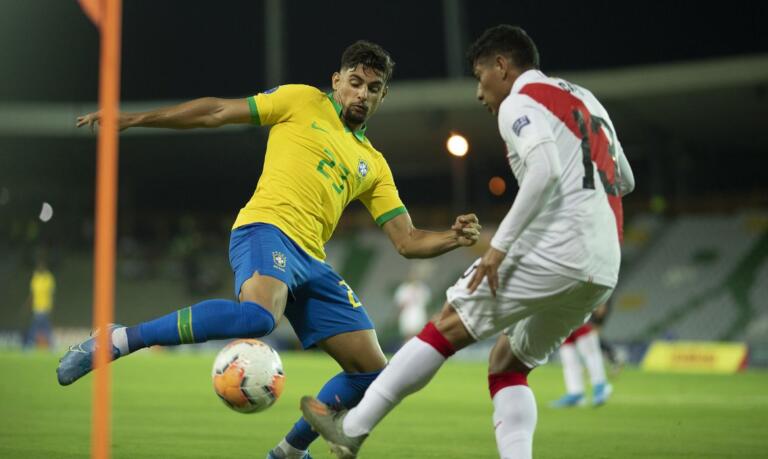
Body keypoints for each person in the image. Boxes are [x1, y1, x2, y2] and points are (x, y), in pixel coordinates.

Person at [57, 41, 481, 459]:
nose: (362, 95)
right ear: (337, 81)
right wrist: (137, 119)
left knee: (372, 372)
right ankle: (118, 339)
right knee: (259, 317)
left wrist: (453, 236)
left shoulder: (374, 164)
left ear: (383, 95)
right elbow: (218, 111)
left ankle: (288, 452)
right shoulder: (301, 100)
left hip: (312, 261)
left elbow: (407, 241)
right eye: (355, 83)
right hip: (266, 229)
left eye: (373, 88)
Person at [300, 25, 635, 459]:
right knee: (507, 364)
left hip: (557, 246)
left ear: (501, 66)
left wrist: (500, 247)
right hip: (604, 260)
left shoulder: (521, 100)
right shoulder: (586, 100)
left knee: (447, 326)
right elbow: (624, 178)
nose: (480, 93)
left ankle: (353, 429)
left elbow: (546, 169)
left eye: (480, 76)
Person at [550, 320, 612, 408]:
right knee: (568, 358)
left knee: (589, 350)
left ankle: (600, 386)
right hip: (562, 322)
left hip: (576, 315)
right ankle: (575, 393)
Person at [394, 261, 433, 343]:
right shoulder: (404, 288)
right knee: (408, 334)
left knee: (417, 335)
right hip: (407, 314)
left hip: (418, 313)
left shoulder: (423, 288)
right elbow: (400, 304)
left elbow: (425, 304)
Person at [25, 257, 56, 349]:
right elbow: (32, 293)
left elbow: (52, 293)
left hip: (46, 306)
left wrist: (52, 306)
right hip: (37, 306)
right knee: (43, 326)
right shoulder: (35, 277)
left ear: (45, 267)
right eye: (39, 266)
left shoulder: (49, 278)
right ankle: (50, 344)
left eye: (42, 266)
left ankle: (30, 344)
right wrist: (28, 304)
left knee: (38, 326)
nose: (40, 267)